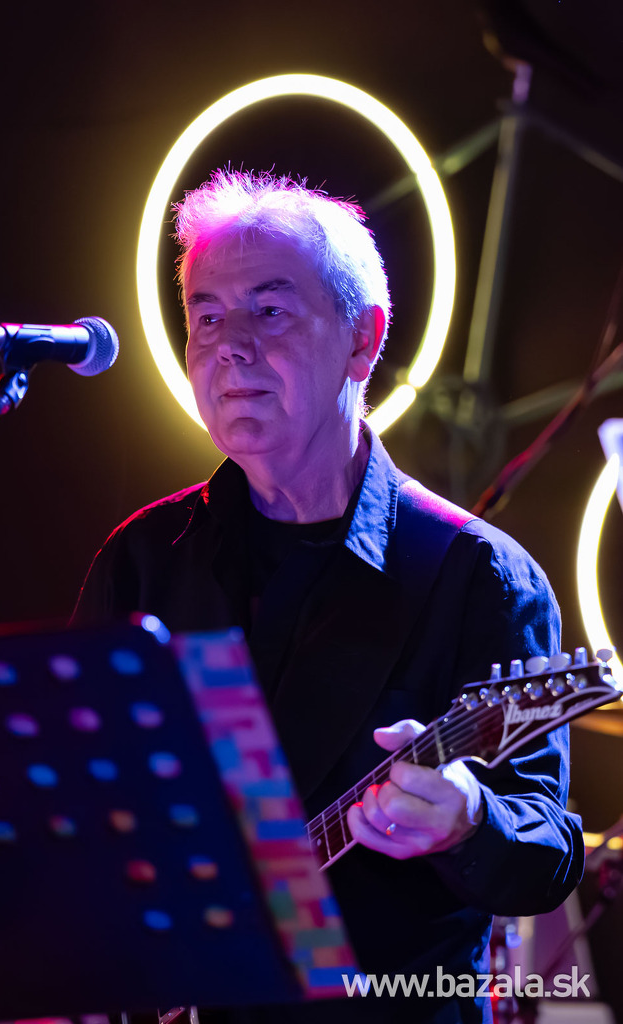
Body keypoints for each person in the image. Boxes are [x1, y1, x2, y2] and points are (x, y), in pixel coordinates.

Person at [73, 170, 584, 1023]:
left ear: (363, 340)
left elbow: (547, 854)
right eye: (207, 315)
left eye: (270, 311)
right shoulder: (145, 563)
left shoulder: (474, 576)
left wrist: (470, 820)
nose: (230, 346)